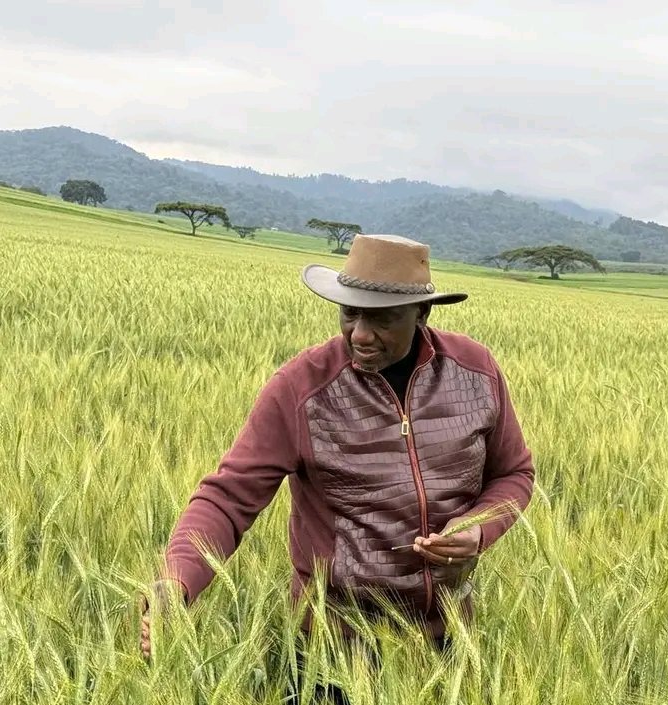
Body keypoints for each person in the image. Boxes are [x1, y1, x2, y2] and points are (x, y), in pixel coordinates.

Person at [139, 233, 535, 660]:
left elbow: (513, 474)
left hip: (447, 642)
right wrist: (177, 581)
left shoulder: (475, 372)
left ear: (421, 312)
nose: (360, 335)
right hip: (331, 650)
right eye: (350, 314)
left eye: (382, 318)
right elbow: (228, 498)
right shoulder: (301, 388)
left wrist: (478, 530)